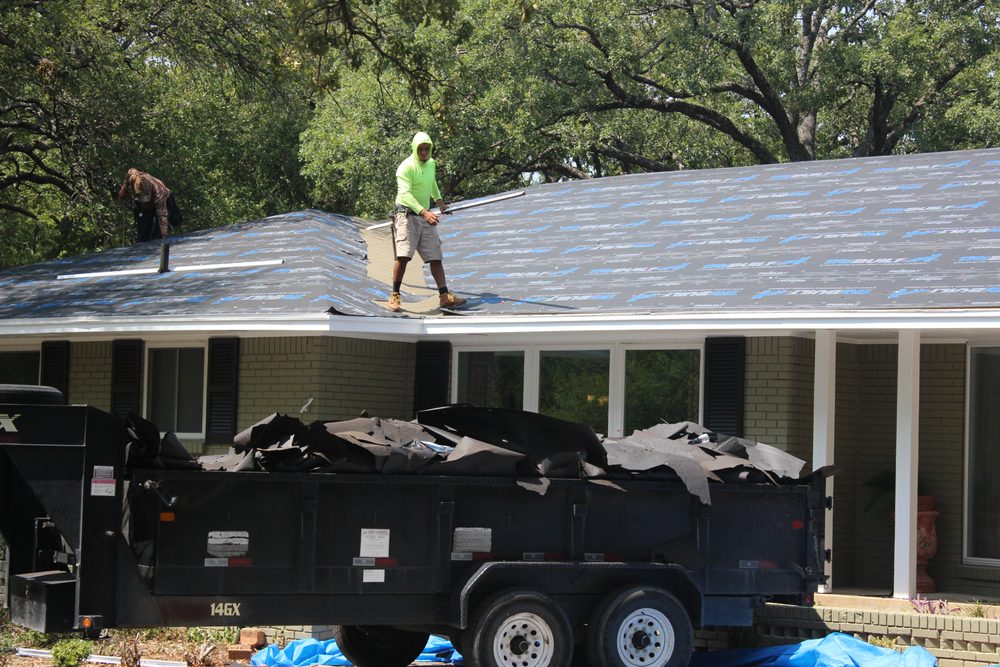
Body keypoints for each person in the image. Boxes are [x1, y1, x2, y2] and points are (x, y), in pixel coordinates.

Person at [388, 132, 467, 312]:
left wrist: (440, 202)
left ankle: (444, 296)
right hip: (407, 215)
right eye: (420, 149)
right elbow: (405, 195)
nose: (424, 152)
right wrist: (424, 212)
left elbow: (432, 183)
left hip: (425, 214)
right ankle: (395, 295)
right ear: (414, 149)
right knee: (403, 256)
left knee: (435, 256)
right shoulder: (405, 167)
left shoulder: (431, 163)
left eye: (426, 149)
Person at [117, 168, 182, 243]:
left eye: (145, 201)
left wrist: (164, 234)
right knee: (142, 232)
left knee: (158, 234)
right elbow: (130, 172)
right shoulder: (132, 176)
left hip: (164, 200)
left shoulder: (159, 193)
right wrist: (123, 191)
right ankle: (141, 245)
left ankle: (157, 243)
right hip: (147, 201)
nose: (145, 204)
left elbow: (162, 215)